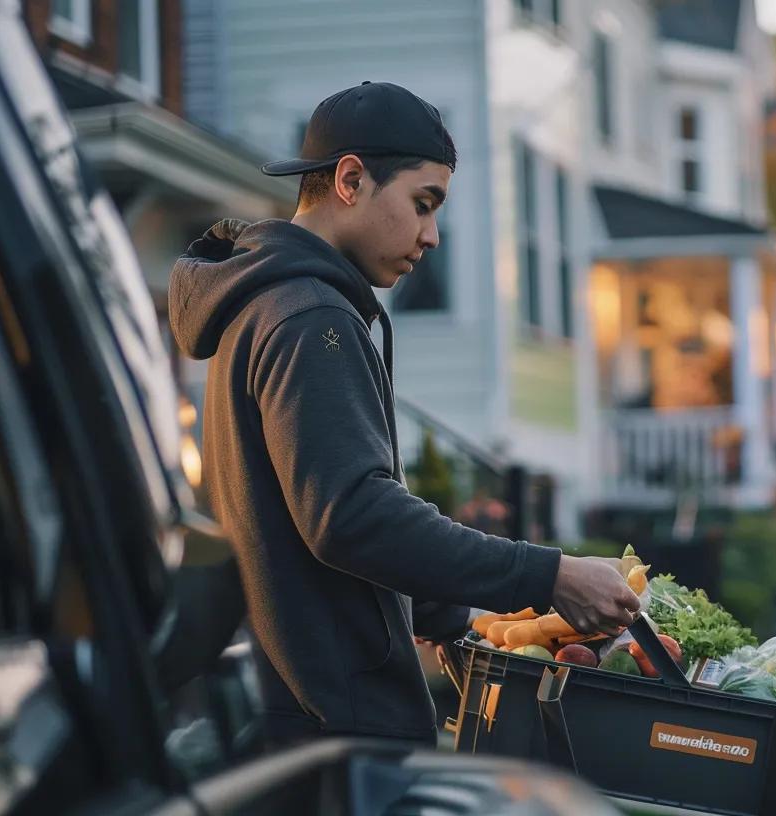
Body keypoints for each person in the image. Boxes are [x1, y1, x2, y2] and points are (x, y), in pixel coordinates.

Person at [168, 82, 639, 746]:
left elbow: (315, 504)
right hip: (336, 733)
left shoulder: (273, 306)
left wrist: (442, 614)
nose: (433, 235)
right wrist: (548, 573)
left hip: (302, 717)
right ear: (352, 180)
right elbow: (350, 516)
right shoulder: (311, 317)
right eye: (424, 204)